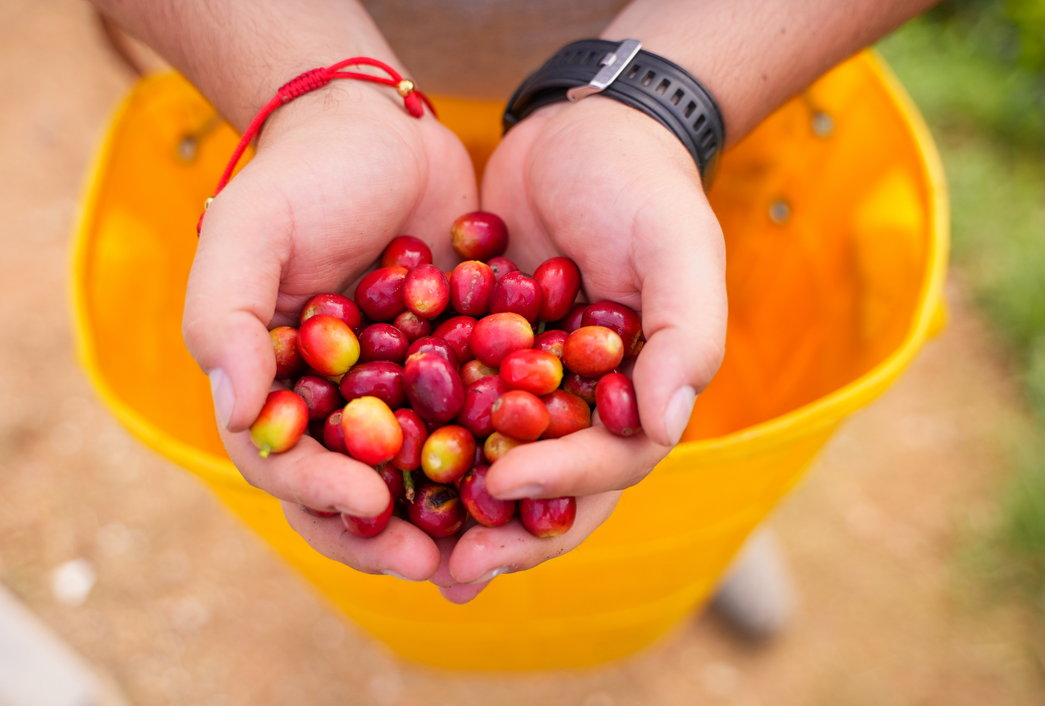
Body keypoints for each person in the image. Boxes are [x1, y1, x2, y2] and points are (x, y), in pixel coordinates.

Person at [90, 0, 940, 609]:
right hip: (285, 58)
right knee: (648, 351)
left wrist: (664, 102)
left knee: (687, 307)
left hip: (727, 68)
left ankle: (709, 531)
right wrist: (315, 96)